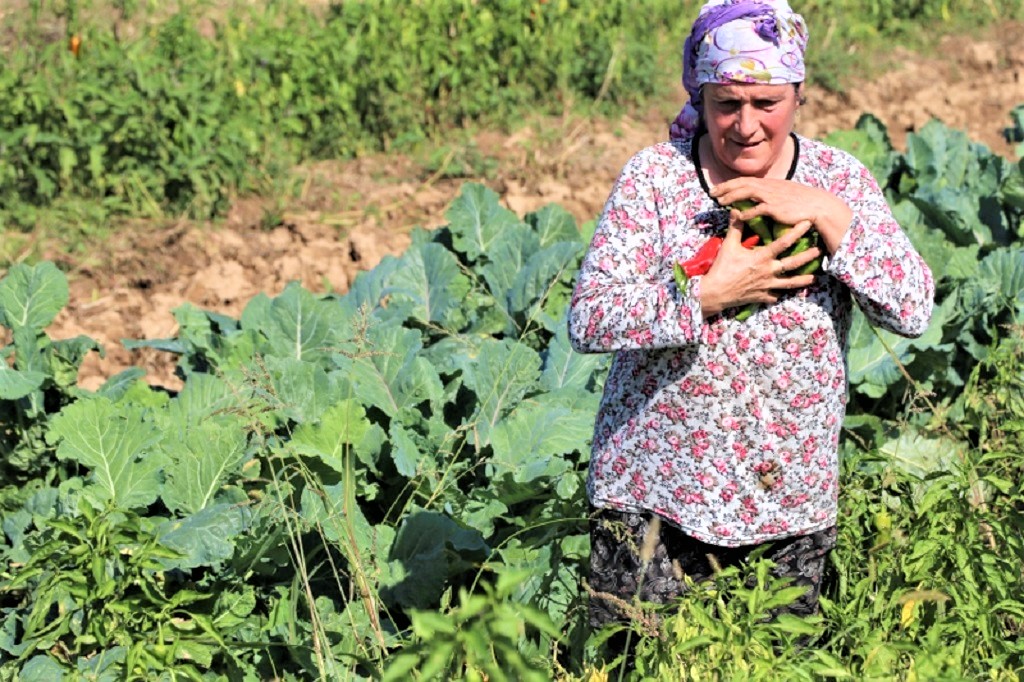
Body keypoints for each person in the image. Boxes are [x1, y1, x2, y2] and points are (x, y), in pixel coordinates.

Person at [567, 0, 935, 639]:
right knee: (630, 663)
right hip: (654, 497)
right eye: (725, 103)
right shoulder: (655, 180)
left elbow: (911, 309)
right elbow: (590, 318)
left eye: (767, 103)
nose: (745, 125)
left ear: (799, 94)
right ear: (700, 94)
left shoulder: (837, 180)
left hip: (786, 501)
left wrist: (826, 212)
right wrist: (704, 296)